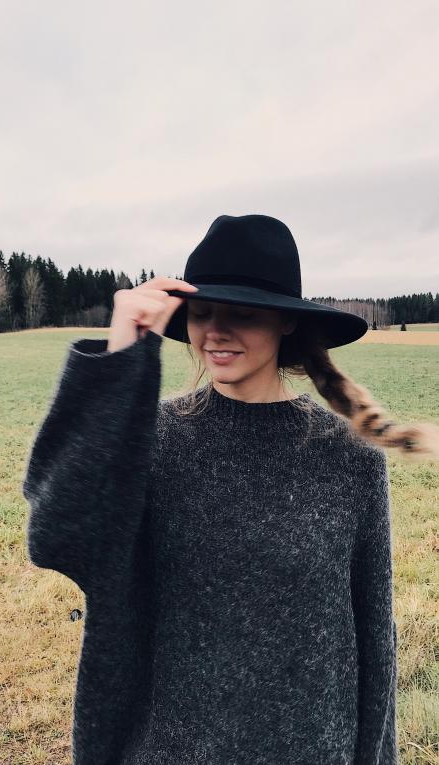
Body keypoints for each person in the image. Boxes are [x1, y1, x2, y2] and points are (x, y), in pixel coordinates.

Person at [22, 214, 438, 765]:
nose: (216, 332)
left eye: (242, 314)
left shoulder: (347, 455)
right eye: (202, 312)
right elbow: (58, 538)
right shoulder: (156, 440)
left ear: (285, 323)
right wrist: (120, 362)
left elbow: (373, 637)